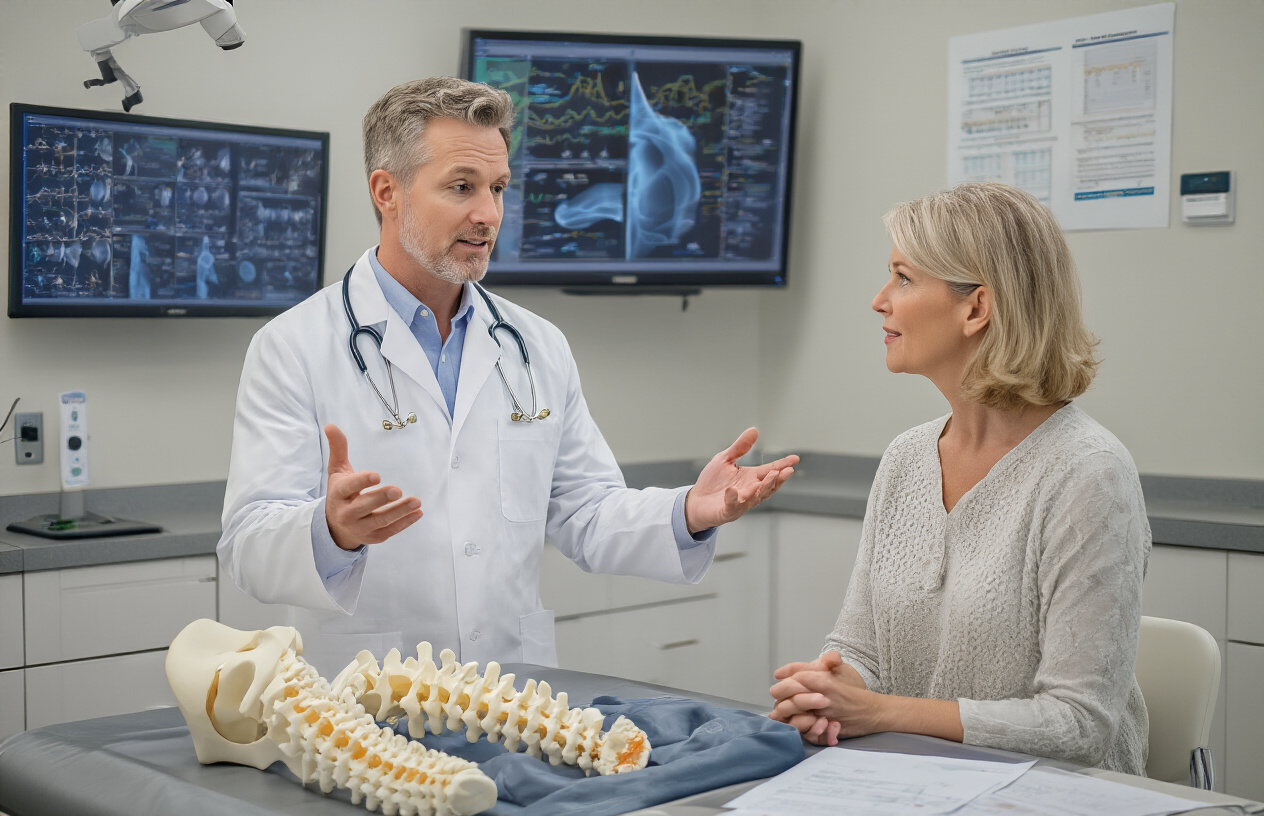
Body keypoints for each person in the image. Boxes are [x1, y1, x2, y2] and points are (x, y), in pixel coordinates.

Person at [218, 77, 798, 675]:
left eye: (497, 188)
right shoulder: (293, 347)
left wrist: (689, 513)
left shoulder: (536, 346)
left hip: (512, 695)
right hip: (366, 705)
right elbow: (248, 544)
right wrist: (331, 530)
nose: (488, 214)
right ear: (386, 192)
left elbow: (586, 510)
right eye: (462, 187)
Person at [769, 182, 1150, 774]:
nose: (879, 300)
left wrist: (882, 712)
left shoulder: (1088, 474)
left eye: (902, 278)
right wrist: (828, 688)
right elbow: (860, 647)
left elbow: (1079, 726)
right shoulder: (905, 458)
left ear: (976, 308)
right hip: (922, 783)